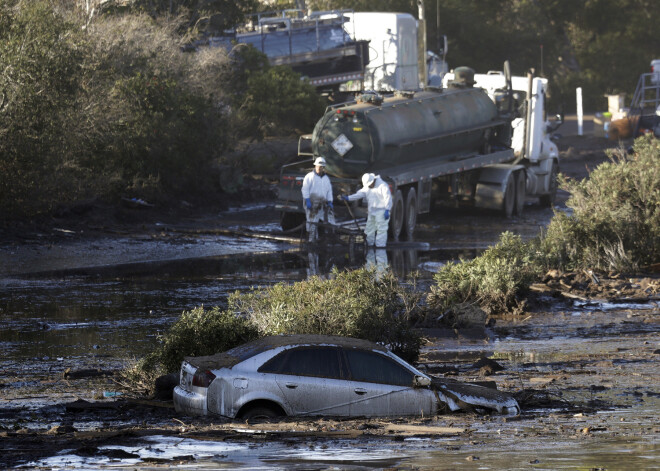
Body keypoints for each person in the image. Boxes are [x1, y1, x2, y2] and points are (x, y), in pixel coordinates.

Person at [340, 173, 392, 248]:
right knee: (369, 230)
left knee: (381, 230)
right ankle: (369, 246)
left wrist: (387, 209)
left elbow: (388, 198)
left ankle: (380, 248)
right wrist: (348, 198)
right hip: (372, 212)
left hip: (382, 212)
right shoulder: (367, 188)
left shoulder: (383, 186)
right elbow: (359, 194)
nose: (370, 186)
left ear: (373, 180)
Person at [301, 156, 334, 242]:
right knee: (312, 222)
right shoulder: (309, 176)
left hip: (323, 202)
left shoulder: (326, 178)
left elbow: (329, 190)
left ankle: (328, 240)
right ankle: (311, 241)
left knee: (330, 220)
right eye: (318, 166)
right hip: (311, 202)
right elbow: (305, 189)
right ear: (315, 166)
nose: (319, 168)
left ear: (323, 168)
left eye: (321, 167)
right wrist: (307, 200)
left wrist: (330, 201)